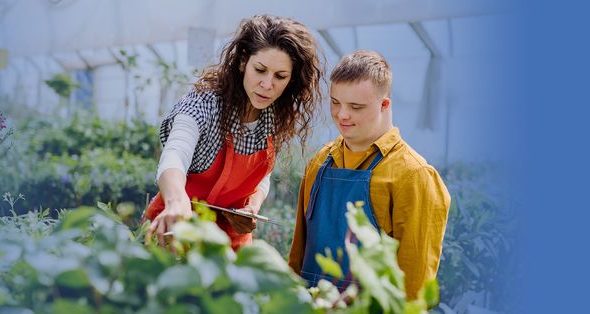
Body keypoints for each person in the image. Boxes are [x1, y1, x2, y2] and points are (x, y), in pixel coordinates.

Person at [145, 14, 323, 251]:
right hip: (175, 231)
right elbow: (175, 153)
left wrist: (252, 207)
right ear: (242, 62)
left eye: (280, 76)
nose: (268, 84)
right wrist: (176, 201)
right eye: (260, 70)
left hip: (228, 247)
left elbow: (263, 177)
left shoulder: (272, 119)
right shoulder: (203, 105)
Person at [288, 50, 451, 300]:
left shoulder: (413, 175)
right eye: (335, 102)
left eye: (356, 107)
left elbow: (414, 288)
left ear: (384, 105)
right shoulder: (319, 162)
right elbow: (298, 258)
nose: (342, 115)